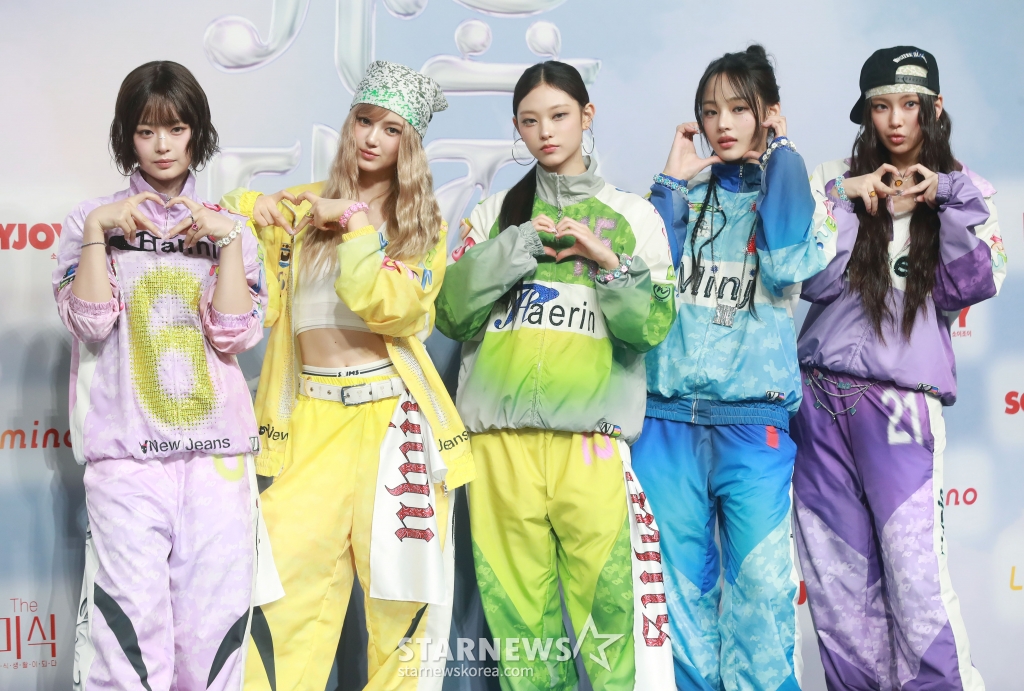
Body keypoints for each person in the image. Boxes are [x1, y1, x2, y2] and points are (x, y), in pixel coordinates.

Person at [220, 60, 473, 691]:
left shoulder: (423, 226)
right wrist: (258, 205)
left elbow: (392, 310)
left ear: (409, 144)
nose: (371, 138)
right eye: (364, 121)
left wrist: (358, 225)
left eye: (391, 129)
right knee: (279, 602)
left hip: (394, 426)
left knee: (404, 612)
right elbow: (230, 233)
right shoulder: (304, 206)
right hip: (307, 420)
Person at [436, 60, 677, 690]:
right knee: (521, 633)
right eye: (530, 121)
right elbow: (451, 313)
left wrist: (607, 261)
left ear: (587, 115)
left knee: (611, 624)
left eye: (560, 115)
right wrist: (515, 247)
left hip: (591, 446)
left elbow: (650, 327)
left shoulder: (633, 216)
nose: (545, 132)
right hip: (499, 450)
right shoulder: (494, 215)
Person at [793, 46, 1003, 691]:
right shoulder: (831, 181)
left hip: (900, 409)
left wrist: (946, 197)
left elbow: (973, 284)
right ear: (865, 113)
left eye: (909, 104)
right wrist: (847, 199)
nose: (895, 120)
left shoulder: (967, 194)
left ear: (934, 108)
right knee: (835, 582)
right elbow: (807, 278)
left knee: (916, 582)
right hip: (818, 401)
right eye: (881, 106)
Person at [55, 61, 269, 691]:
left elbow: (234, 333)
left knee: (213, 638)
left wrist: (229, 241)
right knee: (127, 640)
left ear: (197, 132)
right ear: (128, 137)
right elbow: (90, 321)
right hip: (127, 459)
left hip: (216, 460)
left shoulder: (229, 228)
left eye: (176, 129)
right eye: (147, 131)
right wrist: (100, 230)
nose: (163, 145)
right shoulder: (90, 220)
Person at [631, 45, 830, 691]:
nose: (722, 124)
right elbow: (639, 290)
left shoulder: (794, 194)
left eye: (740, 109)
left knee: (765, 591)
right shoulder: (682, 197)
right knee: (675, 597)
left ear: (768, 114)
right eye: (710, 110)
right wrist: (669, 186)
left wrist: (785, 154)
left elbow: (787, 265)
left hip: (753, 422)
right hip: (666, 421)